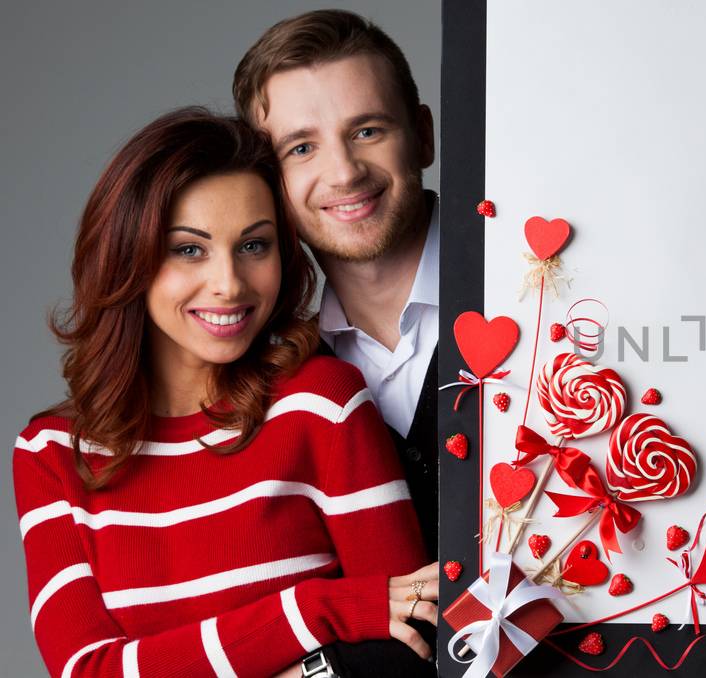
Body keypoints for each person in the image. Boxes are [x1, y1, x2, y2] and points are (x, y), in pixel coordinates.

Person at [12, 109, 436, 678]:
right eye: (189, 249)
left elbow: (410, 643)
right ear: (126, 255)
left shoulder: (322, 405)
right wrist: (317, 611)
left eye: (254, 246)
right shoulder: (51, 455)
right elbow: (87, 670)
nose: (230, 284)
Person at [233, 9, 440, 560]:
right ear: (268, 181)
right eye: (301, 148)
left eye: (367, 131)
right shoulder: (271, 378)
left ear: (422, 136)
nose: (344, 172)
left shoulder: (540, 293)